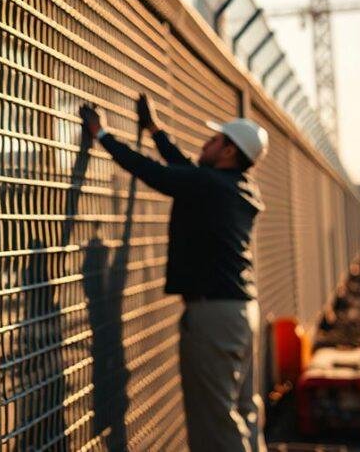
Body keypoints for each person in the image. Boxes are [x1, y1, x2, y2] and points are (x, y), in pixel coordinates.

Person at [79, 95, 268, 452]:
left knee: (216, 421)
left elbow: (158, 173)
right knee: (244, 410)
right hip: (240, 311)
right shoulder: (234, 187)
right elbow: (183, 167)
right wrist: (154, 129)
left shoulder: (210, 186)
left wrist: (101, 134)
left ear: (229, 153)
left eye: (215, 140)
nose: (206, 143)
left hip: (214, 317)